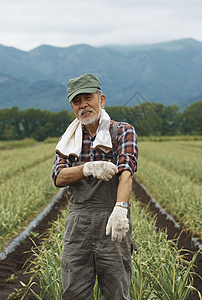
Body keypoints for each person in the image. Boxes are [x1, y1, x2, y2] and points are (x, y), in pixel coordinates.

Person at [52, 73, 138, 299]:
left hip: (111, 221)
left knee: (117, 292)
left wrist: (120, 209)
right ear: (72, 106)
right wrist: (86, 168)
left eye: (88, 98)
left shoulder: (121, 131)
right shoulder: (67, 139)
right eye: (76, 101)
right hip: (77, 223)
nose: (83, 106)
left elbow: (126, 172)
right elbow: (58, 177)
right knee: (74, 292)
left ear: (101, 99)